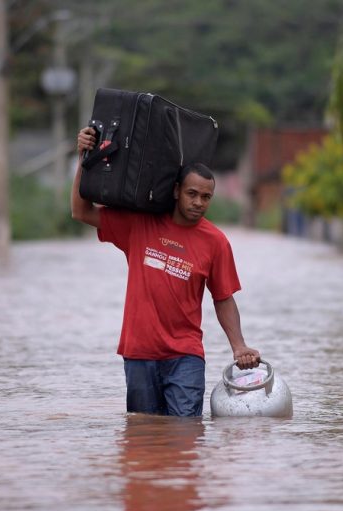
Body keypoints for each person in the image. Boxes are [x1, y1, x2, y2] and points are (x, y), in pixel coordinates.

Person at [71, 126, 260, 418]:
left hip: (186, 356)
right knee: (144, 437)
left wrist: (239, 346)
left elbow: (223, 297)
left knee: (185, 435)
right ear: (176, 191)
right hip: (138, 353)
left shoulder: (216, 241)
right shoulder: (140, 224)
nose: (198, 203)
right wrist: (85, 157)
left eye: (206, 197)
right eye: (192, 194)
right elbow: (81, 212)